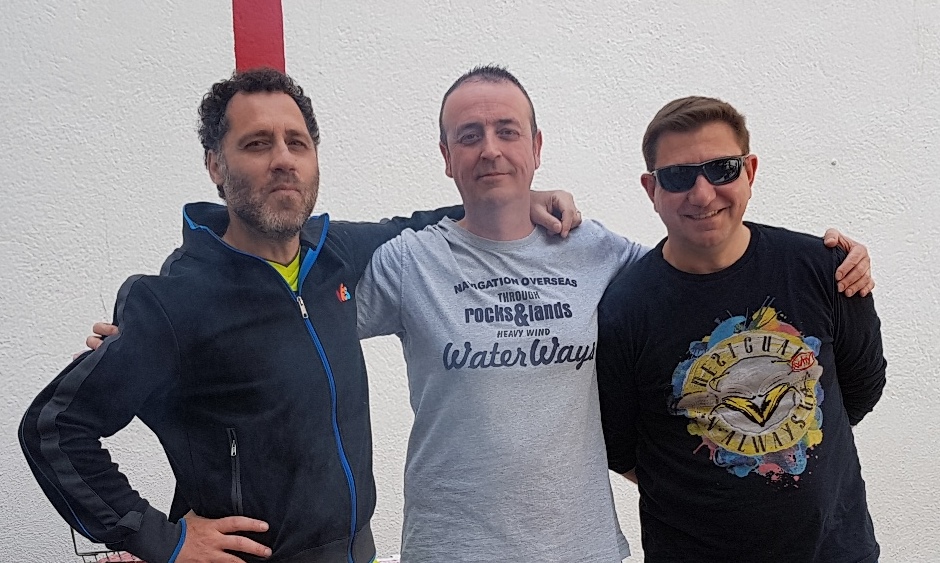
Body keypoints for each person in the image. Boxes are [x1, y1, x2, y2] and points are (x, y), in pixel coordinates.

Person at [18, 67, 576, 563]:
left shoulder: (335, 255)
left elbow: (422, 225)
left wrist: (514, 198)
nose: (283, 159)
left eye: (297, 143)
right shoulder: (172, 302)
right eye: (257, 144)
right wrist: (162, 540)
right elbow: (53, 428)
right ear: (215, 164)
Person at [354, 67, 875, 562]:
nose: (490, 149)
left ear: (536, 147)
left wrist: (842, 263)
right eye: (470, 136)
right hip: (452, 548)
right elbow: (309, 312)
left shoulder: (598, 253)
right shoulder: (409, 262)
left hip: (585, 549)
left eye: (507, 132)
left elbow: (704, 281)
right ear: (446, 157)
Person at [596, 96, 886, 562]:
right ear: (651, 189)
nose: (702, 194)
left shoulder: (825, 269)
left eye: (723, 169)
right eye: (678, 176)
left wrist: (788, 437)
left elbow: (860, 388)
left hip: (834, 551)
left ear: (749, 172)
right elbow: (621, 447)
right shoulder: (624, 309)